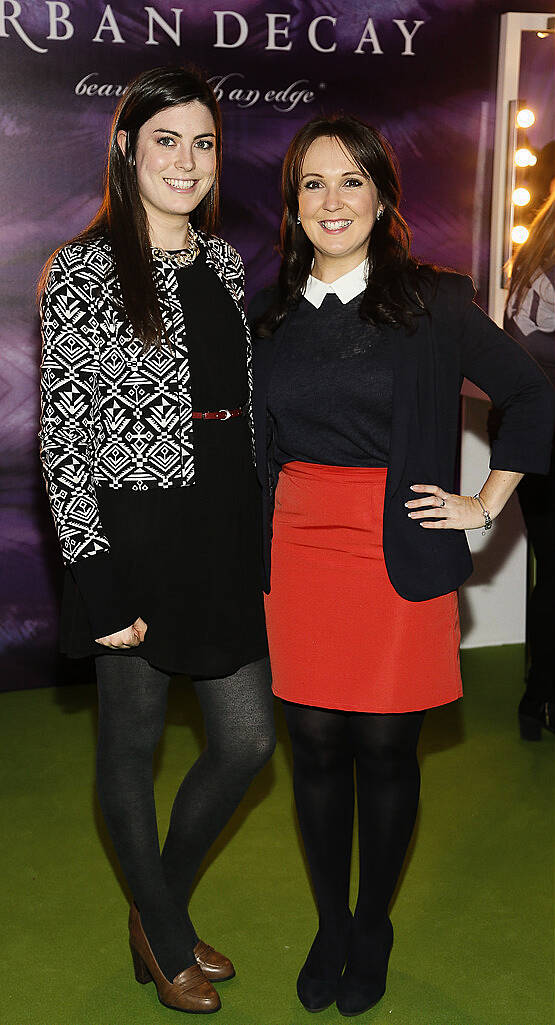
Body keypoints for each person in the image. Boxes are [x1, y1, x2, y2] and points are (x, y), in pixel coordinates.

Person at [249, 115, 555, 1017]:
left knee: (384, 747)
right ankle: (329, 923)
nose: (331, 200)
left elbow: (531, 391)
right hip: (297, 545)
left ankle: (372, 924)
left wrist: (486, 503)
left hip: (397, 545)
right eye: (312, 184)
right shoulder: (266, 314)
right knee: (310, 745)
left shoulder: (432, 301)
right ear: (293, 206)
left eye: (351, 182)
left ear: (382, 197)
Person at [39, 66, 274, 1015]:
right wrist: (95, 579)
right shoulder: (83, 268)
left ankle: (155, 907)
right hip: (132, 530)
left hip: (219, 523)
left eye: (204, 142)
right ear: (128, 149)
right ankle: (167, 933)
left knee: (249, 738)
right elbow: (64, 437)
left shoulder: (221, 262)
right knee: (129, 751)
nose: (187, 160)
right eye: (167, 139)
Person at [503, 193, 555, 739]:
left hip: (529, 439)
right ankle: (541, 696)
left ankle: (537, 696)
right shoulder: (546, 266)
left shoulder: (531, 259)